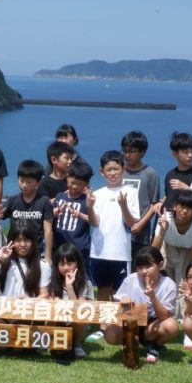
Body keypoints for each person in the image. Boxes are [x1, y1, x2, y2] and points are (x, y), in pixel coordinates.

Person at [87, 150, 139, 341]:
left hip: (120, 252)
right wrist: (89, 205)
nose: (113, 173)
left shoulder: (131, 192)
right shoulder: (97, 194)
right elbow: (95, 222)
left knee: (120, 292)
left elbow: (132, 223)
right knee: (102, 289)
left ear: (123, 169)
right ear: (102, 172)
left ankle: (118, 325)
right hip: (99, 251)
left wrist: (123, 205)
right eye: (108, 170)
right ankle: (103, 327)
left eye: (116, 169)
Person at [105, 246, 179, 364]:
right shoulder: (131, 280)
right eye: (140, 267)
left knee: (171, 326)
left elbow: (164, 316)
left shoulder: (169, 285)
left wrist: (153, 297)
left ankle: (156, 346)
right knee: (110, 333)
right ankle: (130, 344)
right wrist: (123, 301)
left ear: (160, 265)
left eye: (148, 266)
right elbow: (117, 305)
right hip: (131, 323)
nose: (144, 271)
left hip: (153, 325)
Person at [151, 189, 192, 337]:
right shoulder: (165, 219)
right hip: (166, 246)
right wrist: (162, 230)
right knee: (163, 281)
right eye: (182, 206)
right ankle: (162, 314)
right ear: (175, 206)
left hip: (186, 251)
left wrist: (191, 276)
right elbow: (154, 250)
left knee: (184, 284)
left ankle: (185, 319)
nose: (185, 211)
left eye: (190, 208)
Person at [0, 159, 54, 262]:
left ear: (38, 182)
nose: (24, 185)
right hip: (13, 250)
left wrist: (48, 256)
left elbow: (48, 231)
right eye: (21, 180)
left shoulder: (44, 202)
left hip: (36, 251)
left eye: (29, 182)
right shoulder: (12, 201)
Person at [0, 219, 51, 299]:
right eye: (18, 240)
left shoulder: (42, 266)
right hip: (5, 306)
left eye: (26, 240)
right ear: (12, 241)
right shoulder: (3, 260)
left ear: (33, 242)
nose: (22, 244)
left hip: (26, 306)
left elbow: (44, 294)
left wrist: (30, 300)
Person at [48, 243, 94, 358]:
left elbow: (79, 310)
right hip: (58, 319)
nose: (65, 268)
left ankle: (77, 345)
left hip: (76, 323)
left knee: (79, 320)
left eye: (69, 263)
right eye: (62, 264)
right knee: (48, 315)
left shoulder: (85, 283)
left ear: (77, 263)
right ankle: (49, 342)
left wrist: (69, 287)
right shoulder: (53, 282)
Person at [121, 131, 160, 261]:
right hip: (120, 231)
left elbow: (154, 204)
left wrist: (140, 224)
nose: (127, 155)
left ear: (142, 152)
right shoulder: (120, 172)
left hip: (141, 234)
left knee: (139, 266)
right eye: (125, 151)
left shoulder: (150, 174)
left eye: (132, 151)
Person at [52, 161, 94, 278]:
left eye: (79, 184)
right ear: (67, 178)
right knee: (60, 278)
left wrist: (80, 214)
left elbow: (93, 221)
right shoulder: (60, 196)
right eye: (72, 182)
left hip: (80, 248)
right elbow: (49, 215)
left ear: (86, 184)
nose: (74, 186)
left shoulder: (87, 200)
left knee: (81, 278)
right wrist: (55, 212)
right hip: (60, 246)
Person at [157, 132, 192, 214]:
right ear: (175, 154)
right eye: (186, 152)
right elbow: (169, 196)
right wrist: (161, 202)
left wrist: (186, 188)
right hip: (169, 220)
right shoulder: (170, 174)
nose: (190, 155)